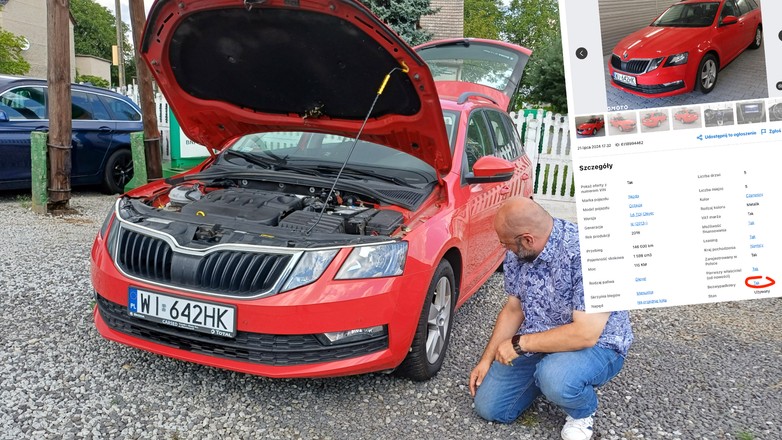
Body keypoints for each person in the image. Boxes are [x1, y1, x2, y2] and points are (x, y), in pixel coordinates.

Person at [469, 197, 633, 440]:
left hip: (597, 344)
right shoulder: (519, 254)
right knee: (489, 407)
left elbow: (585, 334)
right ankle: (548, 376)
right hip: (539, 338)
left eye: (506, 244)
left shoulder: (591, 253)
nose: (504, 249)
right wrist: (487, 359)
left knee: (556, 378)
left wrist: (519, 344)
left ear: (527, 239)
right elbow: (514, 309)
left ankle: (582, 410)